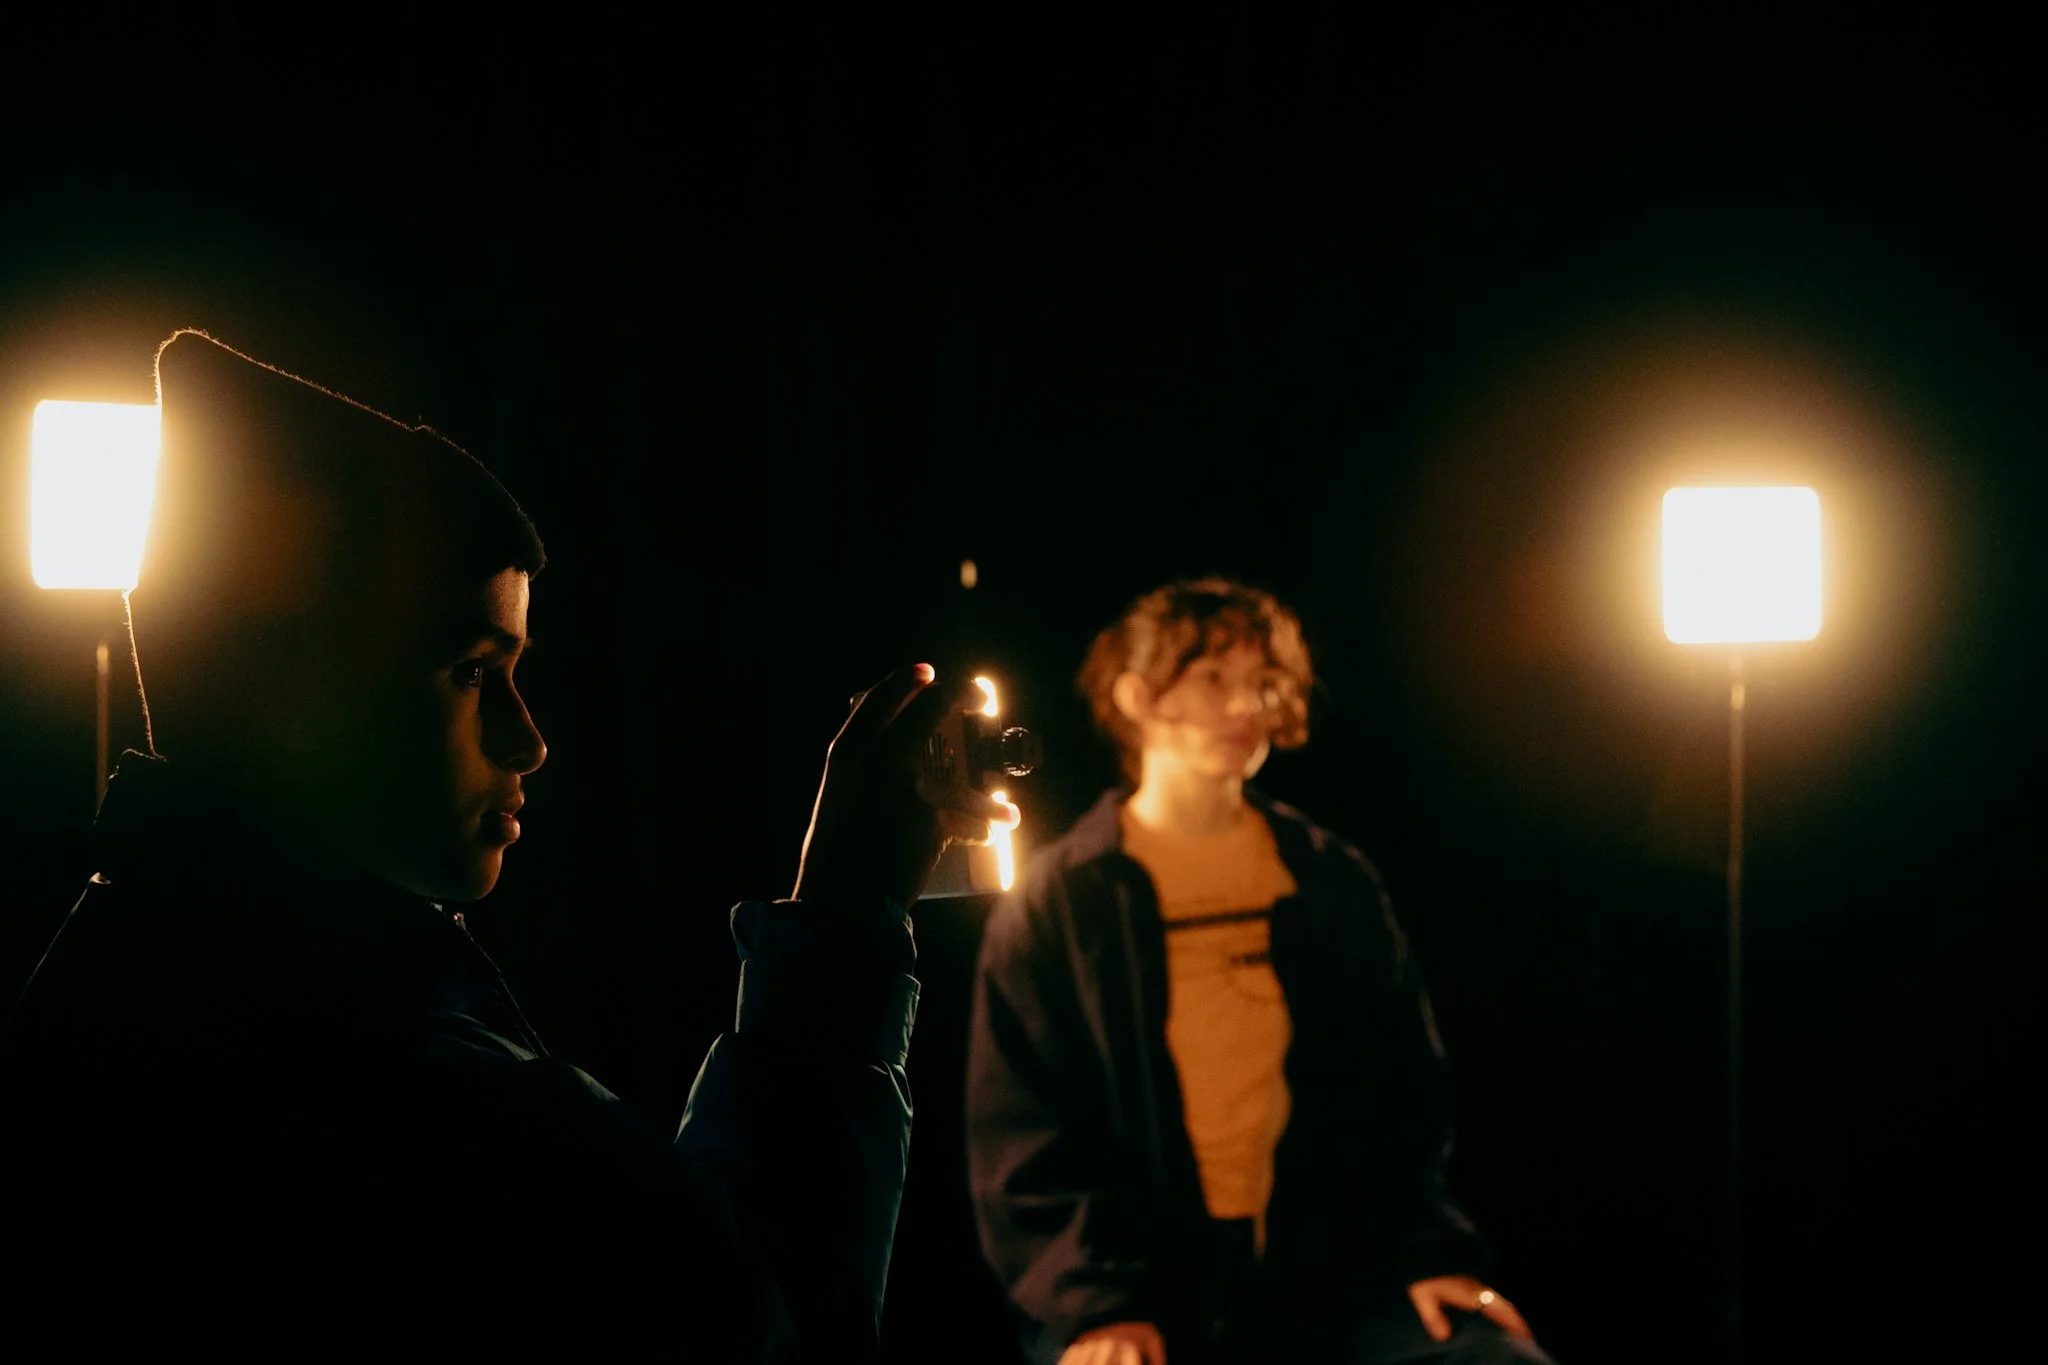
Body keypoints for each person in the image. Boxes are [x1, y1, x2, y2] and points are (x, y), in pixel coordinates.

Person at [0, 329, 1013, 1359]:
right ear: (305, 698)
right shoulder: (402, 1107)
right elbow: (754, 1322)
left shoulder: (126, 977)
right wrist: (841, 926)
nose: (529, 739)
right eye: (473, 672)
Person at [966, 579, 1552, 1365]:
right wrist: (1096, 1306)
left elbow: (1402, 1092)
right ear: (1137, 695)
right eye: (1214, 678)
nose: (1247, 705)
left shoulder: (1324, 880)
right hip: (1147, 1289)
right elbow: (1022, 1134)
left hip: (1325, 1282)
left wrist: (1426, 1254)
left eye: (1262, 682)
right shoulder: (1063, 902)